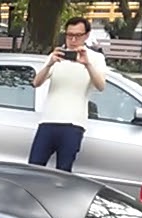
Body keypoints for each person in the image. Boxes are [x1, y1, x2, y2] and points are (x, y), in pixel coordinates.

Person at [27, 17, 106, 173]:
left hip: (73, 124)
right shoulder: (57, 55)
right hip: (48, 121)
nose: (73, 40)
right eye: (69, 35)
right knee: (34, 168)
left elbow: (100, 86)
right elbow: (36, 82)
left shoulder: (96, 58)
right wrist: (50, 63)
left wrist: (87, 63)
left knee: (63, 173)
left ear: (87, 35)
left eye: (78, 35)